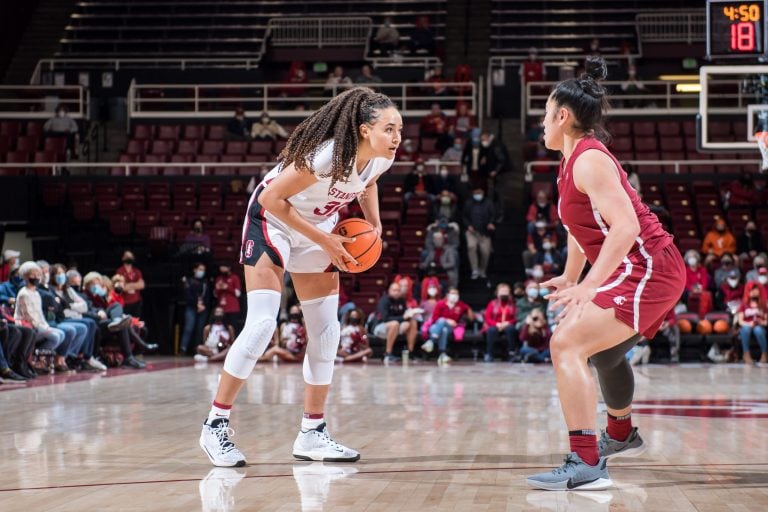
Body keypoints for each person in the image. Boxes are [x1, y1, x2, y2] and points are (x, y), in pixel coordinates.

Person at [199, 87, 402, 468]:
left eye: (400, 130)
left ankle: (312, 432)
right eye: (389, 129)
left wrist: (374, 225)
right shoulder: (326, 155)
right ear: (363, 130)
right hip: (272, 221)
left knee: (327, 332)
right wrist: (324, 239)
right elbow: (270, 199)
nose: (397, 138)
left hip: (317, 227)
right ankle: (215, 424)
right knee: (261, 325)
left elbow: (368, 184)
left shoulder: (381, 160)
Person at [525, 56, 686, 491]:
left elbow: (627, 228)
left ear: (562, 116)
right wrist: (570, 276)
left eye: (544, 114)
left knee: (566, 344)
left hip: (649, 266)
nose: (541, 122)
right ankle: (620, 434)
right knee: (604, 353)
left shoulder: (588, 160)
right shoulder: (570, 159)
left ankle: (587, 462)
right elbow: (584, 230)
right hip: (642, 266)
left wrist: (590, 285)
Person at [14, 261, 73, 373]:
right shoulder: (24, 293)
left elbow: (40, 314)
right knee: (55, 336)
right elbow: (29, 316)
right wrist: (45, 328)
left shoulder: (35, 293)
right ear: (26, 276)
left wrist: (46, 326)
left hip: (39, 325)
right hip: (28, 326)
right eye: (33, 275)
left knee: (61, 334)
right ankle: (35, 358)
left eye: (38, 275)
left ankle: (40, 357)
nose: (36, 277)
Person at [425, 287, 474, 365]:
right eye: (452, 293)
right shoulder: (440, 304)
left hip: (451, 328)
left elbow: (470, 315)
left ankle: (431, 341)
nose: (454, 295)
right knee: (442, 326)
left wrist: (469, 311)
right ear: (447, 295)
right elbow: (435, 319)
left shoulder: (460, 305)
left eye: (456, 294)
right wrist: (447, 320)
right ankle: (442, 354)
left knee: (445, 328)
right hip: (436, 326)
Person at [373, 282, 419, 363]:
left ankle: (410, 352)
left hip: (397, 326)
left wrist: (406, 321)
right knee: (395, 323)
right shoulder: (384, 301)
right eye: (394, 290)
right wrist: (402, 319)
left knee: (413, 322)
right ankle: (388, 354)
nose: (396, 292)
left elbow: (405, 315)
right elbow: (385, 319)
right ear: (389, 290)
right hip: (380, 327)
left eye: (398, 290)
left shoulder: (401, 300)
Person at [463, 187, 496, 280]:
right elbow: (464, 216)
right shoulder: (468, 203)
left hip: (485, 232)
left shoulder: (488, 203)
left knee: (485, 252)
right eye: (476, 193)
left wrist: (491, 223)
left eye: (479, 193)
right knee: (471, 247)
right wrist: (468, 225)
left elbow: (493, 215)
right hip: (472, 232)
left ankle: (482, 270)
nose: (478, 195)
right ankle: (474, 269)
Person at [482, 283, 517, 362]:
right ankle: (489, 354)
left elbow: (515, 318)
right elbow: (487, 318)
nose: (504, 293)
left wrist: (508, 323)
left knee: (511, 329)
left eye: (506, 291)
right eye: (502, 291)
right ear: (497, 293)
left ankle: (511, 353)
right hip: (495, 324)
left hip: (507, 324)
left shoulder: (513, 304)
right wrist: (496, 324)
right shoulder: (492, 303)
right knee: (492, 330)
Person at [181, 263, 210, 355]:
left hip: (203, 307)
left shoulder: (205, 282)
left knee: (200, 329)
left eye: (203, 270)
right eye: (200, 269)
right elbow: (187, 295)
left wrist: (203, 305)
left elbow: (208, 296)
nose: (201, 272)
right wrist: (196, 304)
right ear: (195, 269)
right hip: (191, 307)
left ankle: (198, 349)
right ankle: (183, 348)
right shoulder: (188, 281)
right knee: (189, 328)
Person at [736, 286, 767, 364]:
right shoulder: (744, 304)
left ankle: (765, 353)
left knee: (758, 330)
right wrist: (749, 323)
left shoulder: (763, 304)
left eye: (756, 290)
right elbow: (740, 321)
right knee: (746, 329)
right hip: (747, 324)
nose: (754, 292)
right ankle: (746, 354)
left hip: (759, 325)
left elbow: (767, 321)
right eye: (752, 290)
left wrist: (761, 322)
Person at [116, 250, 145, 318]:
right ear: (123, 258)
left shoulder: (137, 271)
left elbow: (141, 285)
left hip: (137, 301)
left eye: (131, 256)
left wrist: (128, 285)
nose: (129, 258)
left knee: (137, 322)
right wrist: (135, 285)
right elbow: (122, 288)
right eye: (127, 256)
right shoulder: (120, 271)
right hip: (125, 302)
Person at [213, 263, 242, 329]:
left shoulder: (235, 277)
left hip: (233, 309)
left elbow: (238, 294)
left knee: (232, 328)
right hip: (221, 309)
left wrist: (227, 287)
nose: (222, 269)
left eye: (223, 267)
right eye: (221, 267)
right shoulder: (219, 278)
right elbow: (215, 295)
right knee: (221, 328)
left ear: (229, 268)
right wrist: (217, 289)